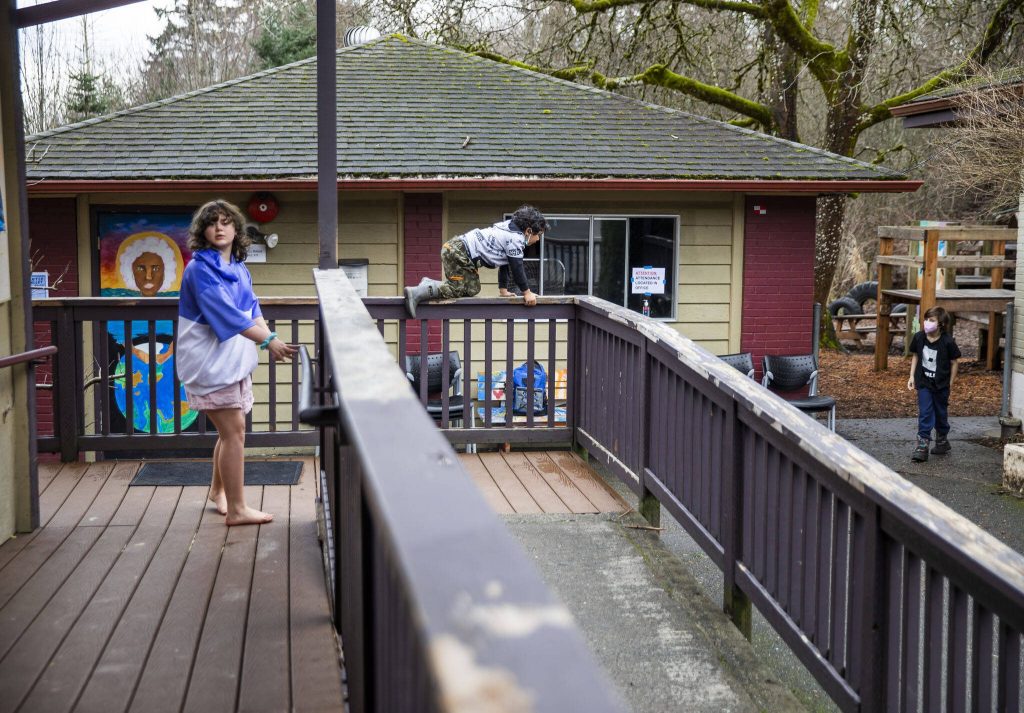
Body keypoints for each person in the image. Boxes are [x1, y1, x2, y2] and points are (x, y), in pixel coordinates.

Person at [176, 199, 296, 525]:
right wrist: (270, 341)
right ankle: (238, 509)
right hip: (209, 362)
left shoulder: (238, 268)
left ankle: (219, 492)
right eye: (212, 222)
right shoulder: (200, 269)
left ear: (236, 229)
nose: (219, 227)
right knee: (235, 432)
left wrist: (269, 337)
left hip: (232, 361)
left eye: (226, 222)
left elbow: (252, 309)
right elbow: (229, 316)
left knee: (229, 430)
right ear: (203, 231)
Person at [403, 204, 549, 317]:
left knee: (471, 288)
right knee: (459, 288)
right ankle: (417, 292)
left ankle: (429, 284)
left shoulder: (509, 230)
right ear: (529, 231)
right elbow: (517, 267)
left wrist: (503, 290)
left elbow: (506, 265)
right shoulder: (515, 239)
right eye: (539, 235)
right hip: (459, 252)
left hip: (457, 249)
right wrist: (527, 292)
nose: (538, 240)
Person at [906, 306, 961, 462]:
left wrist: (950, 382)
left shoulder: (947, 341)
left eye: (931, 320)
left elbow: (954, 362)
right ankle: (922, 444)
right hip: (924, 383)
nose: (927, 323)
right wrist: (911, 376)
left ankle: (942, 439)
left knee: (940, 414)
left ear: (941, 324)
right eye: (926, 319)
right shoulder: (919, 337)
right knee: (925, 412)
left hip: (941, 385)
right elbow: (916, 356)